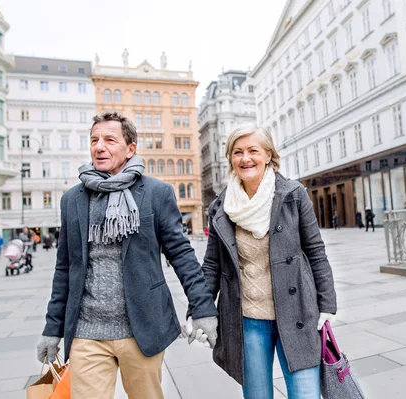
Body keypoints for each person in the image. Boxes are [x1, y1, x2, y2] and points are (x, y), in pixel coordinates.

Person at [37, 111, 218, 399]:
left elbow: (181, 254)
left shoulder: (156, 193)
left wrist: (204, 309)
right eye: (94, 139)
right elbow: (64, 268)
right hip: (87, 330)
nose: (99, 146)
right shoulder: (73, 199)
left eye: (110, 139)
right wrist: (52, 328)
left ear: (130, 148)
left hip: (142, 326)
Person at [196, 125, 337, 398]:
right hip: (247, 319)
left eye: (253, 151)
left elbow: (316, 251)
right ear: (230, 159)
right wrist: (201, 309)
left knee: (305, 394)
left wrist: (327, 303)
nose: (245, 158)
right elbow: (212, 265)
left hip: (297, 312)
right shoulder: (222, 207)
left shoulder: (292, 195)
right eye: (238, 152)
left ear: (268, 155)